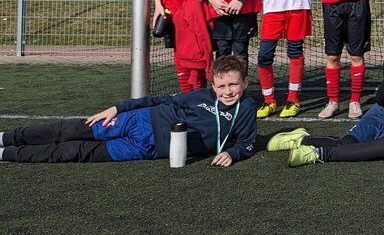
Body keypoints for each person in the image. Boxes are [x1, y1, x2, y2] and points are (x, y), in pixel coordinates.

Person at [268, 17, 384, 165]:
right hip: (381, 115)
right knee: (346, 143)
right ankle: (303, 140)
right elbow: (382, 100)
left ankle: (318, 154)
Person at [0, 55, 256, 166]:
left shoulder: (246, 108)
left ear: (244, 83)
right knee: (71, 129)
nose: (228, 91)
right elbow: (160, 99)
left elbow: (246, 143)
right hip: (138, 120)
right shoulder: (201, 96)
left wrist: (232, 154)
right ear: (213, 85)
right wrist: (118, 108)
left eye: (234, 84)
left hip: (146, 148)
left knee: (76, 151)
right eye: (221, 85)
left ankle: (7, 154)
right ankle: (6, 138)